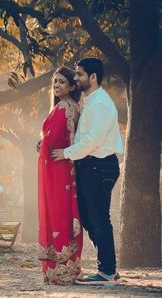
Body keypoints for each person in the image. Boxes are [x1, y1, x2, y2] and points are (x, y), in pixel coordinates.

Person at [51, 57, 124, 286]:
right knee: (90, 219)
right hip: (90, 166)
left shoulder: (101, 103)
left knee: (99, 219)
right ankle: (109, 267)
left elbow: (93, 140)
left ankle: (107, 272)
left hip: (100, 165)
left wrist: (66, 153)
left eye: (80, 74)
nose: (76, 77)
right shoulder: (90, 101)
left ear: (93, 77)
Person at [37, 66, 83, 284]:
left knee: (58, 215)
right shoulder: (70, 106)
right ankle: (65, 268)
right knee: (62, 213)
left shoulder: (65, 106)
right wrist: (44, 143)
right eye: (54, 81)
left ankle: (61, 270)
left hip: (59, 170)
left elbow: (55, 139)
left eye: (62, 82)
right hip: (61, 168)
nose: (56, 85)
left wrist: (45, 143)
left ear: (72, 86)